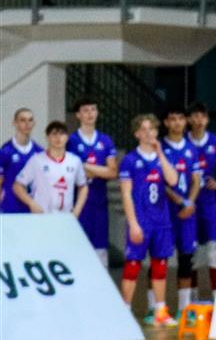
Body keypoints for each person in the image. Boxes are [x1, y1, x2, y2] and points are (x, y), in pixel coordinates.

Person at [119, 113, 181, 327]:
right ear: (137, 134)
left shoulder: (164, 157)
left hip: (161, 221)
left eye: (152, 129)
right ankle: (125, 311)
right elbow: (126, 194)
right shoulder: (129, 160)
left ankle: (160, 310)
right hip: (140, 221)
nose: (148, 133)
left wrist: (160, 154)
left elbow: (173, 180)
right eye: (144, 129)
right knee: (132, 265)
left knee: (160, 266)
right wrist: (133, 223)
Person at [67, 97, 119, 267]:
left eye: (93, 109)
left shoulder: (105, 140)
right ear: (78, 115)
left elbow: (112, 172)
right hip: (77, 204)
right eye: (85, 110)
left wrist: (84, 165)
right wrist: (100, 170)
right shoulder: (71, 141)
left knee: (100, 252)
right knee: (76, 250)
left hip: (99, 203)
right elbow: (71, 171)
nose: (90, 114)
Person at [161, 106, 202, 314]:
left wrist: (190, 202)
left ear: (185, 122)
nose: (177, 122)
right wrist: (179, 201)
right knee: (161, 258)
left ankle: (184, 309)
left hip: (187, 213)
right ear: (166, 123)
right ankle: (156, 308)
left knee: (186, 258)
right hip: (166, 211)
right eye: (173, 118)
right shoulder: (160, 147)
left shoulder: (192, 149)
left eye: (180, 118)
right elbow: (159, 181)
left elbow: (197, 180)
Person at [187, 101, 216, 292]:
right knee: (191, 251)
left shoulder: (214, 140)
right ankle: (191, 297)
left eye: (202, 116)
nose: (199, 120)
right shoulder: (184, 141)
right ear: (189, 119)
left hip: (208, 201)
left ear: (207, 119)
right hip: (189, 201)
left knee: (214, 249)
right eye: (195, 116)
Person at [12, 121, 87, 217]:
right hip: (42, 216)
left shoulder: (75, 161)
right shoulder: (36, 160)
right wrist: (31, 203)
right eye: (54, 134)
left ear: (67, 138)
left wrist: (77, 209)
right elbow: (17, 185)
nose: (58, 137)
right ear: (47, 137)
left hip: (66, 217)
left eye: (62, 134)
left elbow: (83, 186)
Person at [0, 108, 41, 214]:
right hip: (10, 207)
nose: (27, 124)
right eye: (23, 120)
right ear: (14, 123)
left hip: (33, 208)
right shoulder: (5, 151)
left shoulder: (39, 151)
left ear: (34, 123)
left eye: (30, 120)